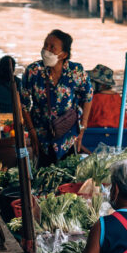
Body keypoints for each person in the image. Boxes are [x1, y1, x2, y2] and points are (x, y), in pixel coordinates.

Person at [21, 29, 93, 165]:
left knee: (68, 175)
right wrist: (32, 132)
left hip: (68, 135)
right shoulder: (33, 71)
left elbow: (88, 96)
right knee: (44, 175)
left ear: (63, 54)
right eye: (45, 45)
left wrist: (82, 128)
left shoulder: (76, 71)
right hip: (41, 135)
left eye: (52, 47)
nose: (46, 50)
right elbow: (24, 104)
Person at [87, 64, 127, 129]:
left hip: (95, 133)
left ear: (102, 85)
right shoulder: (119, 98)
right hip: (117, 134)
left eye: (92, 81)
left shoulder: (93, 99)